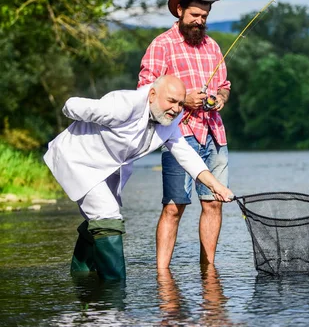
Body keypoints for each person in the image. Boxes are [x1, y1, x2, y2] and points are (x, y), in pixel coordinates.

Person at [44, 75, 234, 282]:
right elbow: (71, 105)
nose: (177, 108)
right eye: (171, 101)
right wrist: (81, 117)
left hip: (108, 167)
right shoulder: (122, 105)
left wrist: (217, 186)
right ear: (152, 95)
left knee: (99, 219)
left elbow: (187, 156)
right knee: (107, 216)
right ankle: (114, 289)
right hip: (78, 161)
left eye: (181, 104)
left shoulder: (170, 121)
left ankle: (81, 276)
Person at [138, 0, 231, 268]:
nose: (199, 21)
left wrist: (218, 99)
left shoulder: (212, 46)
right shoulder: (161, 45)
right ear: (179, 11)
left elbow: (225, 86)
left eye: (204, 16)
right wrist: (184, 99)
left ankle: (208, 268)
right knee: (174, 206)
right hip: (178, 136)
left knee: (214, 203)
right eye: (194, 15)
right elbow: (145, 90)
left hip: (215, 135)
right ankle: (162, 272)